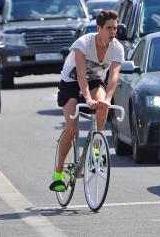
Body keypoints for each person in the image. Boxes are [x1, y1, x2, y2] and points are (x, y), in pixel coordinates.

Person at [49, 10, 124, 192]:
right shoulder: (83, 43)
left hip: (94, 81)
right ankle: (58, 174)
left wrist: (106, 99)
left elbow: (114, 76)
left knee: (103, 106)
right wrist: (88, 99)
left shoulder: (117, 48)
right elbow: (81, 73)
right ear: (99, 28)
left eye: (115, 28)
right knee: (72, 128)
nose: (113, 32)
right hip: (71, 82)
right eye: (109, 28)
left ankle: (96, 146)